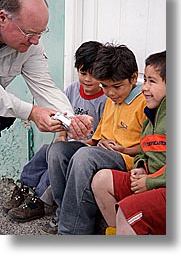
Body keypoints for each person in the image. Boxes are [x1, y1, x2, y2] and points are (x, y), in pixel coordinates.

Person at [46, 43, 147, 235]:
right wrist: (76, 140)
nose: (110, 92)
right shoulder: (113, 99)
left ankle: (72, 231)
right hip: (102, 152)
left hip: (125, 159)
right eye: (105, 86)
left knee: (85, 157)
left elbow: (147, 146)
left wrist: (121, 149)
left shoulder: (144, 101)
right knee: (57, 151)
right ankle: (63, 214)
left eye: (116, 86)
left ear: (134, 78)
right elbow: (97, 139)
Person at [3, 41, 107, 225]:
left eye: (95, 75)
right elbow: (61, 113)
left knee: (56, 156)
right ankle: (25, 187)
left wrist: (81, 141)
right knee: (44, 151)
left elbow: (100, 135)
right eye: (84, 73)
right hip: (68, 140)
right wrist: (62, 135)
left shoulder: (105, 100)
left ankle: (39, 201)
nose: (88, 79)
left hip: (87, 146)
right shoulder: (73, 90)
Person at [0, 0, 93, 139]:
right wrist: (33, 112)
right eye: (29, 33)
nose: (36, 41)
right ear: (2, 18)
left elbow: (45, 87)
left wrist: (70, 120)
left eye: (40, 33)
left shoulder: (31, 45)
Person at [92, 51, 166, 235]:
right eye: (145, 80)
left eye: (152, 81)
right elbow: (145, 149)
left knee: (127, 212)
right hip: (150, 178)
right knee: (101, 181)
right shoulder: (151, 116)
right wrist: (140, 166)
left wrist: (150, 182)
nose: (144, 88)